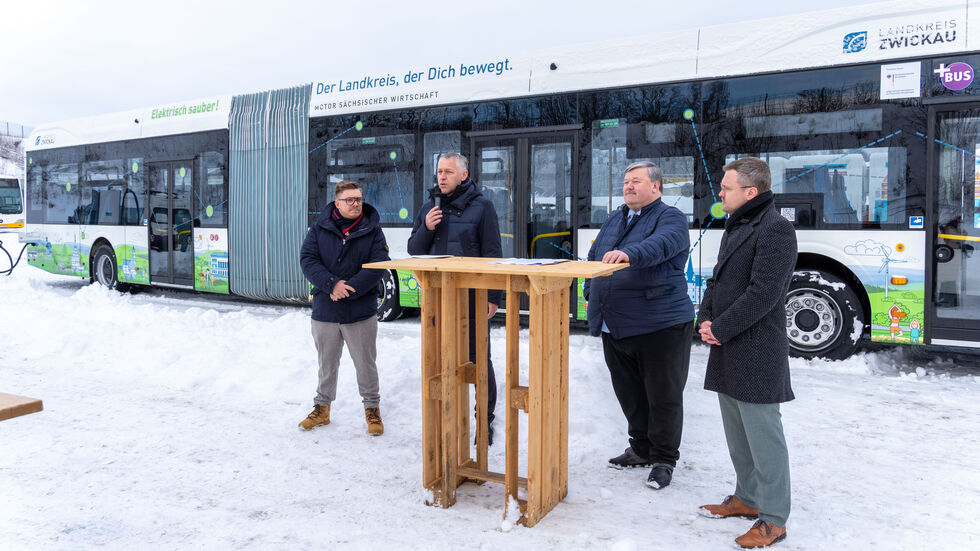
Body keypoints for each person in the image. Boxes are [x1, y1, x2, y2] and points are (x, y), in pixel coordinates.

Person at [697, 157, 797, 549]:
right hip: (729, 345)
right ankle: (747, 498)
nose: (720, 193)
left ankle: (773, 518)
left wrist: (719, 328)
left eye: (726, 187)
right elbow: (719, 280)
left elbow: (763, 295)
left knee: (764, 437)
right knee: (738, 435)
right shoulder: (737, 224)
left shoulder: (776, 229)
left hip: (755, 349)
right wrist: (705, 318)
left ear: (750, 192)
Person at [583, 160, 694, 490]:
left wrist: (628, 254)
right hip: (615, 324)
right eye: (626, 182)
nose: (628, 186)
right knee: (630, 394)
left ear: (656, 187)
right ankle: (641, 449)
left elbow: (658, 247)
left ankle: (663, 459)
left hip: (659, 325)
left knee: (663, 396)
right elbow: (595, 259)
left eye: (636, 181)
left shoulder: (671, 218)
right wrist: (592, 290)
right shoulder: (615, 219)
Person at [408, 152, 502, 444]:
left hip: (472, 300)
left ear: (463, 175)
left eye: (448, 171)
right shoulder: (429, 207)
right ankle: (447, 415)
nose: (442, 176)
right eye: (439, 171)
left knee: (478, 361)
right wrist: (427, 227)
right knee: (440, 359)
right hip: (439, 301)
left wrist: (493, 296)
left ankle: (483, 420)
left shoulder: (482, 207)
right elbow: (414, 249)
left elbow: (493, 254)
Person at [298, 180, 390, 435]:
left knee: (365, 363)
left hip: (360, 311)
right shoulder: (319, 229)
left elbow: (379, 263)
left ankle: (372, 409)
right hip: (326, 310)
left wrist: (349, 289)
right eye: (349, 200)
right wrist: (331, 284)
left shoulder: (373, 230)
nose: (355, 204)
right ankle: (322, 409)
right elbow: (307, 260)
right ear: (337, 203)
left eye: (358, 199)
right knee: (326, 364)